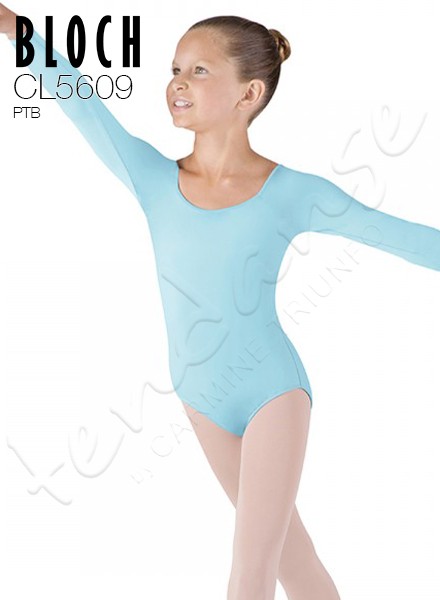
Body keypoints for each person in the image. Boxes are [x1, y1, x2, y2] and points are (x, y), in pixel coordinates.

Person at [2, 6, 439, 600]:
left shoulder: (291, 191)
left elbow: (402, 237)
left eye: (199, 70)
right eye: (175, 69)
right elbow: (80, 102)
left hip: (271, 392)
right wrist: (17, 29)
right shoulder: (152, 179)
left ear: (248, 93)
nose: (178, 82)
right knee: (295, 566)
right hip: (200, 397)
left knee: (249, 572)